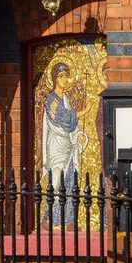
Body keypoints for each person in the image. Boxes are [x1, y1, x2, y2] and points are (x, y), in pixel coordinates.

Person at [41, 62, 87, 228]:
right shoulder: (51, 100)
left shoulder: (66, 99)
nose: (65, 79)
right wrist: (82, 112)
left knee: (69, 181)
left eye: (67, 76)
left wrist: (79, 136)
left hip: (68, 145)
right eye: (61, 76)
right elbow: (64, 120)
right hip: (56, 146)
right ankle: (49, 220)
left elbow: (71, 128)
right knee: (57, 181)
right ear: (54, 78)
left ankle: (69, 221)